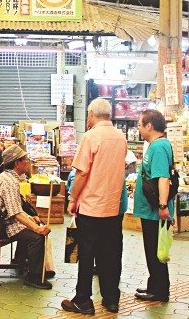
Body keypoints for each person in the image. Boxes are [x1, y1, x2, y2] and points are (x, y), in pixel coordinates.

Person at [62, 97, 127, 315]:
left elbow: (81, 173)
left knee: (87, 254)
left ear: (91, 114)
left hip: (90, 208)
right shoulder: (121, 138)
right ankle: (111, 299)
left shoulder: (90, 137)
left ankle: (83, 300)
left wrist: (72, 199)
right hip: (113, 207)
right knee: (111, 253)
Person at [0, 145, 52, 290]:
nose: (28, 162)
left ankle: (22, 262)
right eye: (25, 159)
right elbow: (15, 213)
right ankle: (33, 277)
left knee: (32, 226)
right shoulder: (9, 181)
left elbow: (15, 209)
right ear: (16, 163)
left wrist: (31, 219)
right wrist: (37, 229)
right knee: (36, 237)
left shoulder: (7, 177)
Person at [132, 109, 174, 303]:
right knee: (151, 249)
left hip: (155, 211)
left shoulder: (159, 147)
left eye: (140, 125)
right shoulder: (156, 145)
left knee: (155, 250)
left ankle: (160, 291)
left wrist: (163, 205)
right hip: (150, 210)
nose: (139, 129)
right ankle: (154, 284)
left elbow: (163, 178)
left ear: (149, 126)